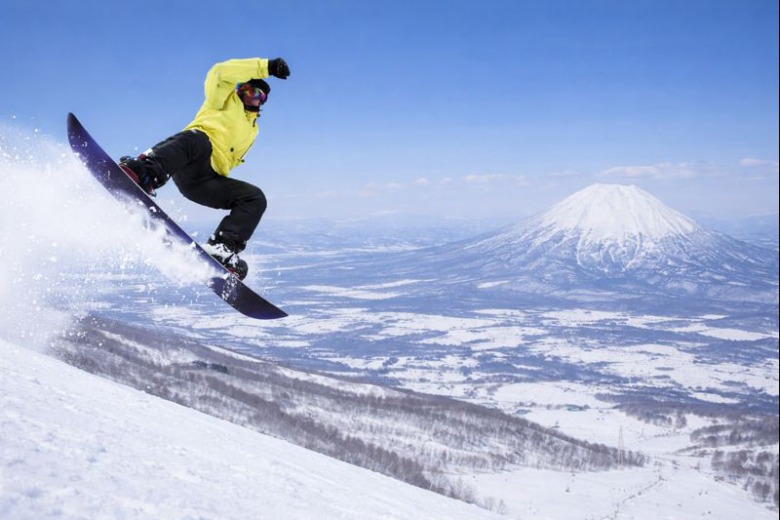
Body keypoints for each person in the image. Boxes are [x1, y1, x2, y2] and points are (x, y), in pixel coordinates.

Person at [119, 57, 291, 280]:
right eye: (248, 89)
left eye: (258, 95)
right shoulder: (223, 99)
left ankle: (223, 248)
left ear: (263, 102)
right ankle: (146, 173)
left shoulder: (253, 130)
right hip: (190, 156)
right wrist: (266, 67)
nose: (251, 96)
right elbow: (220, 72)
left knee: (255, 198)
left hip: (204, 181)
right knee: (198, 138)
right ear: (239, 89)